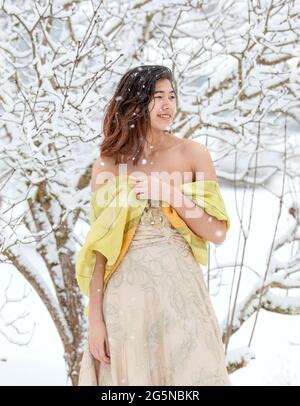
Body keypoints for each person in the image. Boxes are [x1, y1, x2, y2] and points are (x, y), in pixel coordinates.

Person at [75, 65, 231, 386]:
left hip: (181, 297)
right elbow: (100, 252)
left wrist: (170, 194)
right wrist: (95, 322)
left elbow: (217, 232)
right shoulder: (108, 164)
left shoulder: (192, 153)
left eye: (171, 96)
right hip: (125, 303)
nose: (167, 105)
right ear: (136, 101)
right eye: (157, 97)